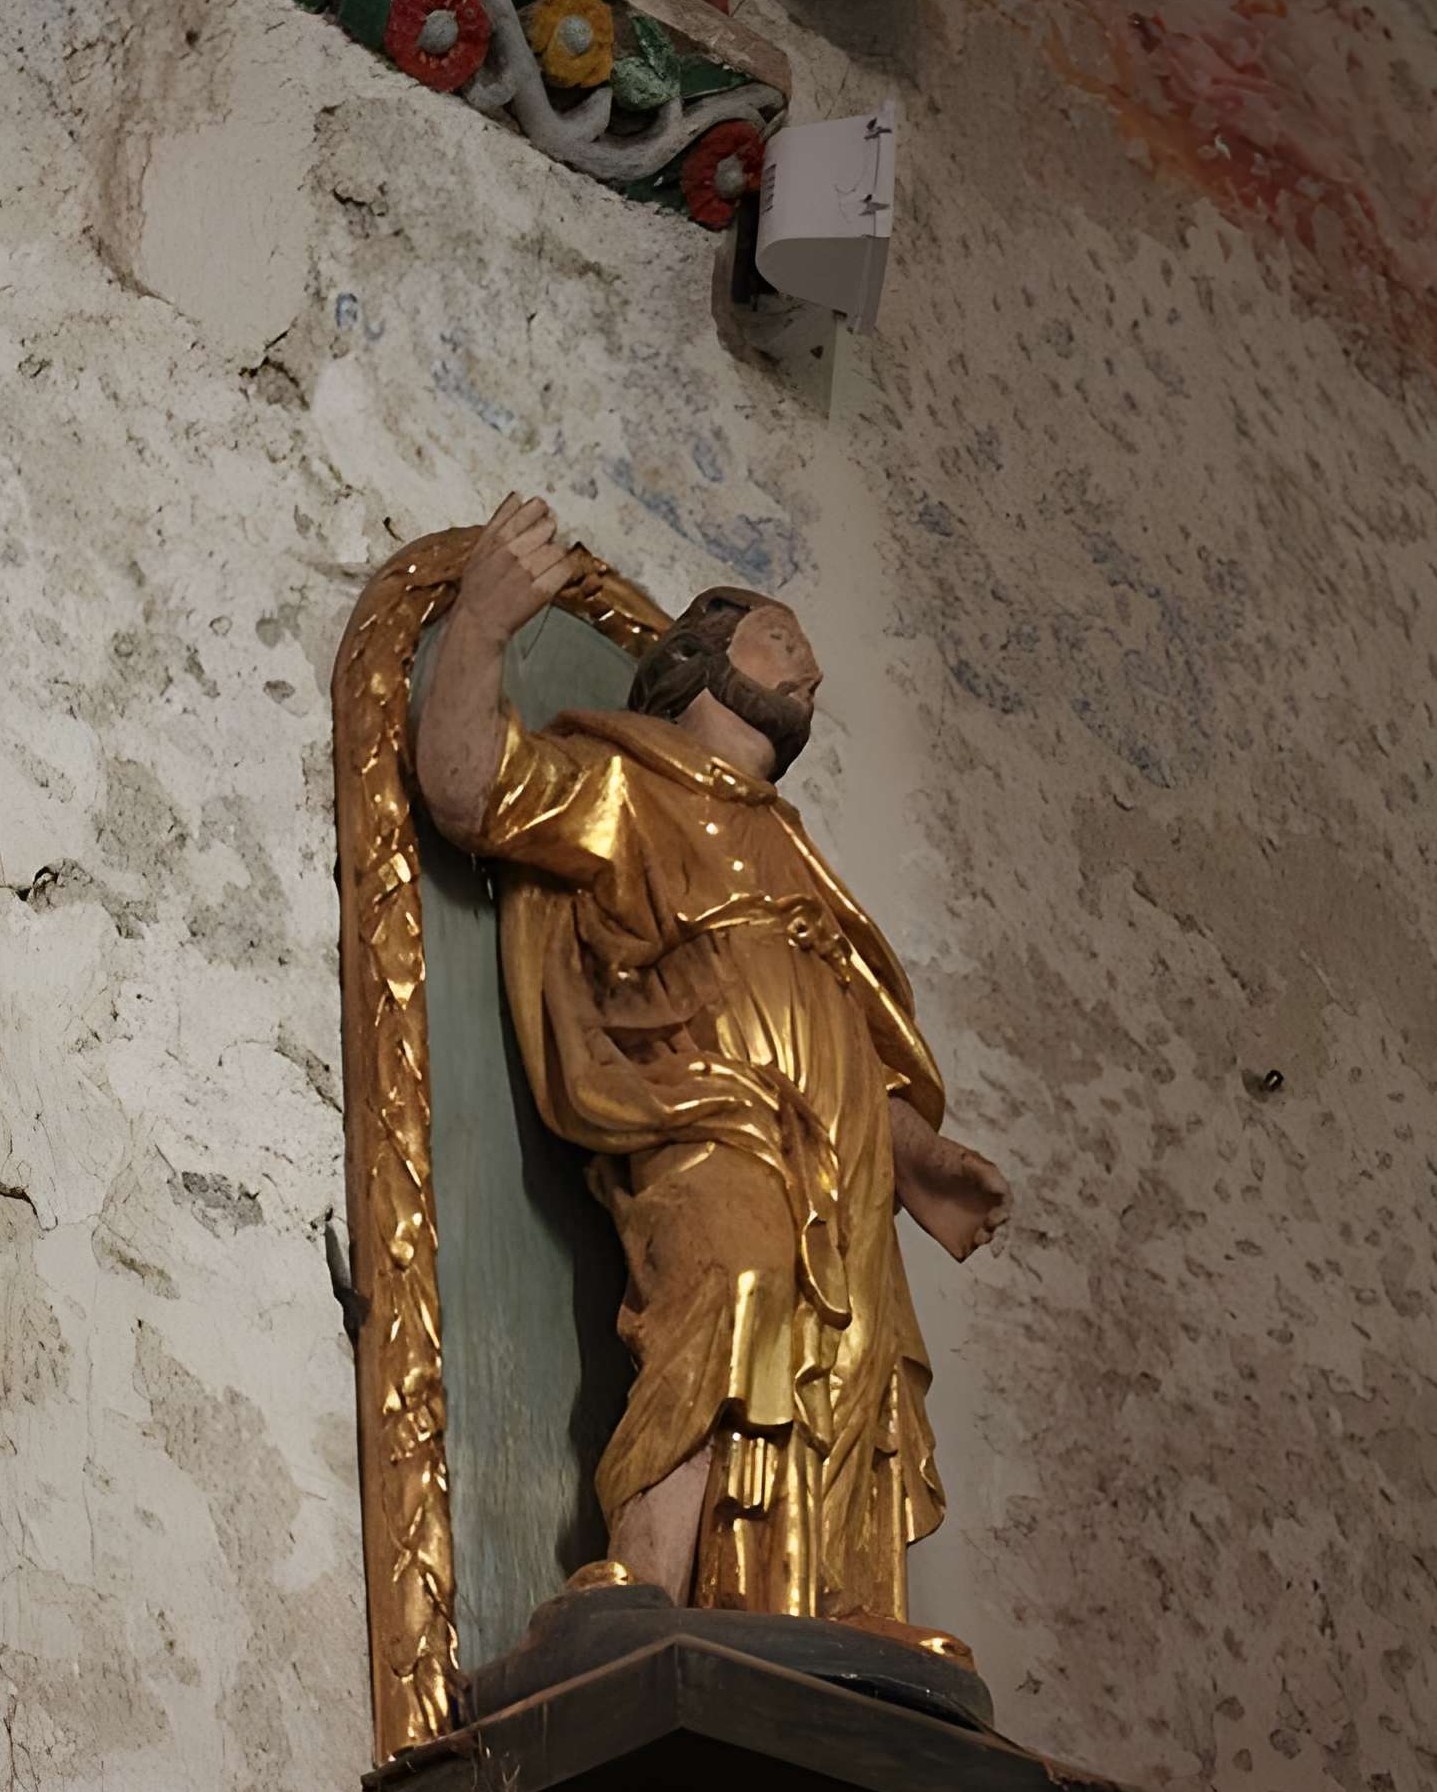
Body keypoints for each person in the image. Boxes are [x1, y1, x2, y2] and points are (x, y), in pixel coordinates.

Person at [415, 495, 1010, 1644]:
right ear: (697, 658)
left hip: (835, 1162)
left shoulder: (793, 853)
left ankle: (832, 1613)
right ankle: (641, 1584)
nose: (812, 671)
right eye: (782, 641)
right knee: (730, 1292)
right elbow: (468, 787)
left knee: (848, 1366)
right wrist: (481, 627)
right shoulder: (627, 780)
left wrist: (923, 1157)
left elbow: (841, 1033)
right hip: (704, 1115)